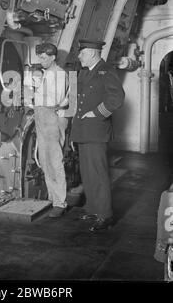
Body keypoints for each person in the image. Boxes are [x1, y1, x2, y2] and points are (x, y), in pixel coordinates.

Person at [70, 38, 125, 231]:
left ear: (93, 53)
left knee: (99, 173)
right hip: (83, 131)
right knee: (87, 172)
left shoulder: (106, 71)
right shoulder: (85, 72)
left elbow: (117, 98)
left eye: (82, 53)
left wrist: (97, 113)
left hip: (96, 130)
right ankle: (93, 208)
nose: (79, 56)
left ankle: (105, 214)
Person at [33, 43, 69, 218]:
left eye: (44, 57)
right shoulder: (46, 73)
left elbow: (55, 100)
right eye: (39, 57)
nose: (41, 60)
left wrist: (35, 91)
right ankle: (51, 197)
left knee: (55, 160)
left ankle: (60, 203)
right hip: (41, 116)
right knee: (45, 160)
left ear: (53, 57)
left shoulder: (59, 74)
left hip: (51, 117)